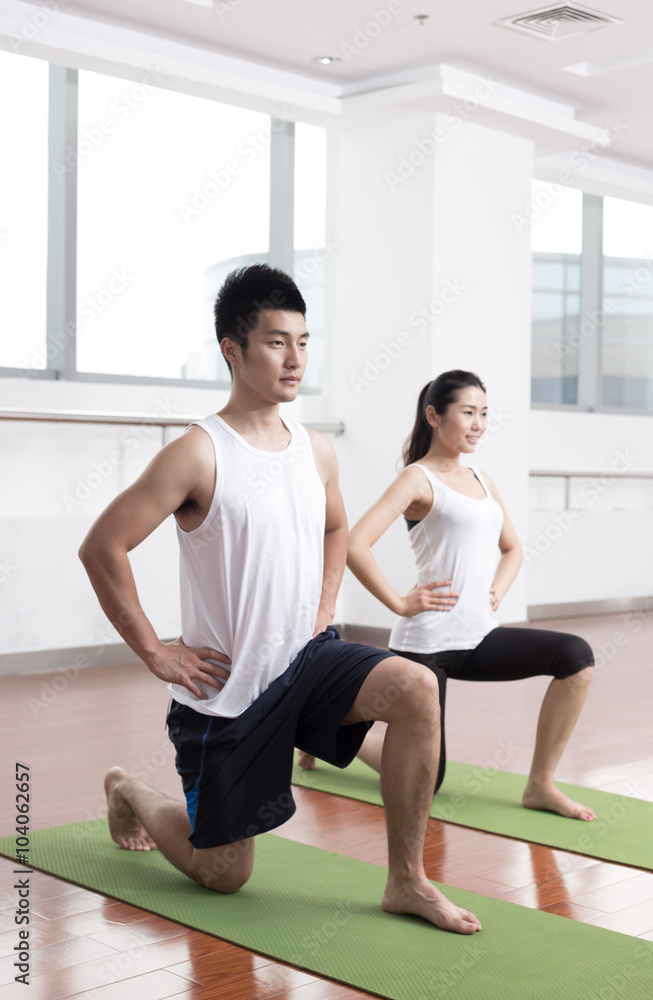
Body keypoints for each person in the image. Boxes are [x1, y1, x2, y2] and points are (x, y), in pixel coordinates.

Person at [78, 267, 482, 934]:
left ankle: (406, 881)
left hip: (309, 661)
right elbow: (103, 547)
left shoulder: (315, 451)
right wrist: (155, 651)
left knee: (414, 687)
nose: (294, 359)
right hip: (227, 691)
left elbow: (334, 527)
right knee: (224, 875)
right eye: (274, 342)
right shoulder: (197, 454)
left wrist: (325, 603)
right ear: (232, 350)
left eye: (302, 341)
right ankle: (129, 790)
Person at [305, 370, 595, 822]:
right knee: (430, 778)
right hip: (426, 645)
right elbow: (354, 542)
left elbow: (513, 547)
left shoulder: (482, 478)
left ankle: (540, 785)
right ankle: (325, 736)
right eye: (468, 412)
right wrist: (400, 605)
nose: (478, 423)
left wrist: (498, 586)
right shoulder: (417, 479)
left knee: (576, 657)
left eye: (484, 414)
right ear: (434, 416)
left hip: (479, 637)